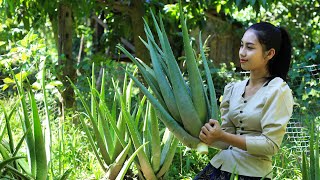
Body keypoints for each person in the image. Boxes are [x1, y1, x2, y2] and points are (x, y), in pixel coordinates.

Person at [194, 22, 294, 180]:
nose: (242, 52)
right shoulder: (233, 89)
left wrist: (222, 136)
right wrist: (208, 136)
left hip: (252, 174)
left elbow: (271, 145)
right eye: (241, 46)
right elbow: (227, 137)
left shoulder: (278, 91)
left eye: (250, 47)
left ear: (269, 54)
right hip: (219, 167)